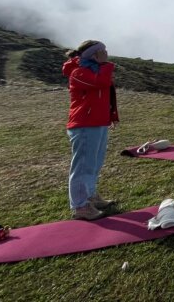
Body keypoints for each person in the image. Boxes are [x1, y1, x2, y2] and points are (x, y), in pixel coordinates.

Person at [62, 40, 118, 220]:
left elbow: (105, 93)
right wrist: (107, 66)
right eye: (102, 51)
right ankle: (80, 206)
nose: (106, 53)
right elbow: (100, 83)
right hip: (84, 124)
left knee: (95, 162)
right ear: (93, 55)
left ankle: (90, 195)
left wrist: (110, 117)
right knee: (83, 166)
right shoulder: (78, 72)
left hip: (98, 122)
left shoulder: (95, 70)